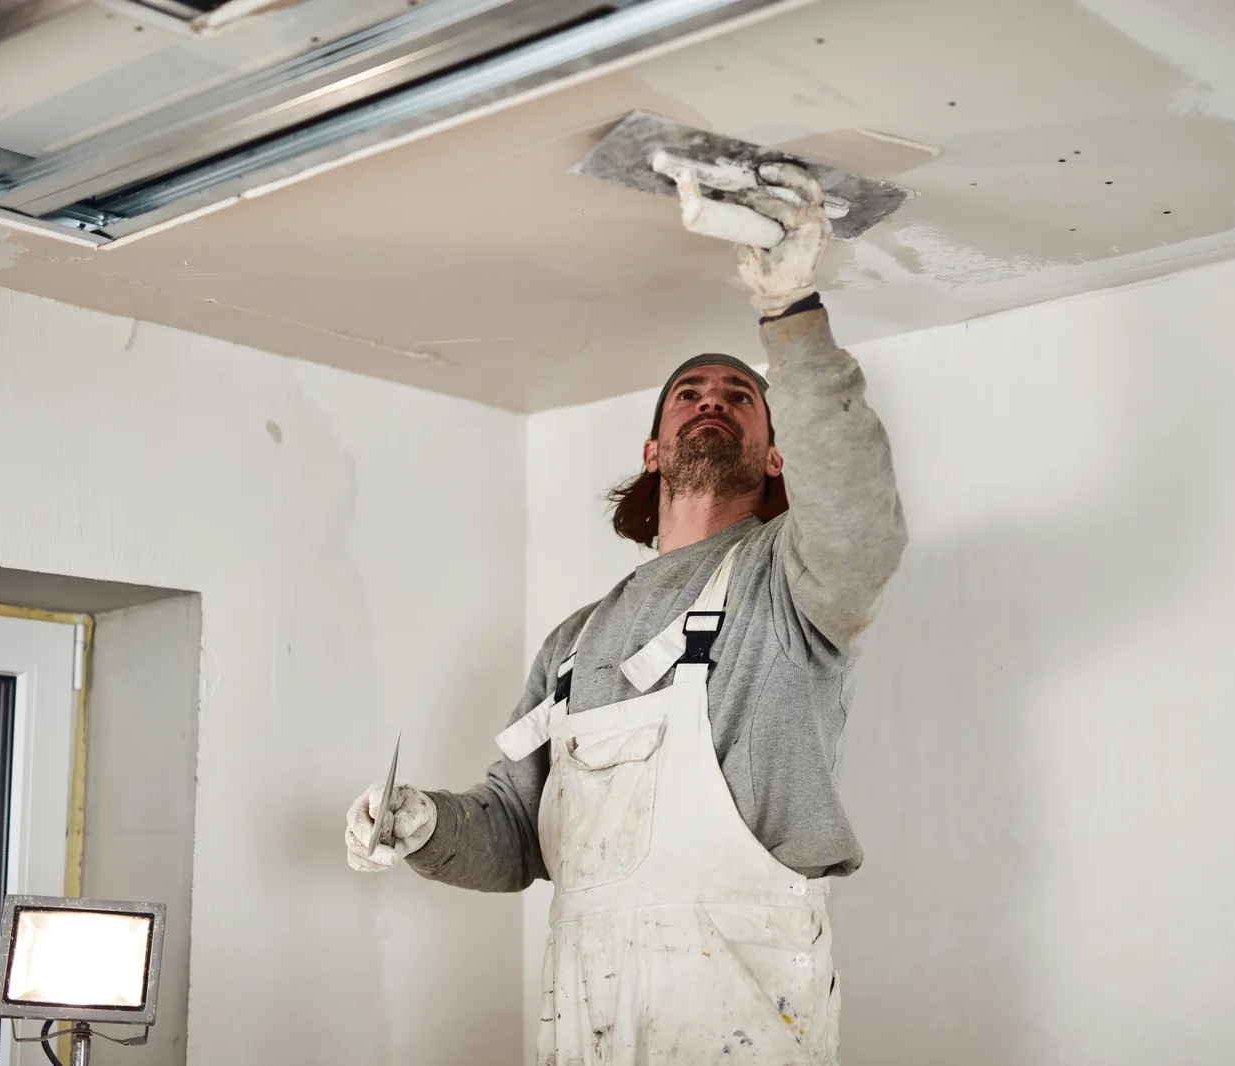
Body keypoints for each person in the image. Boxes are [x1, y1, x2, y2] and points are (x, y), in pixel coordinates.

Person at [344, 163, 906, 1064]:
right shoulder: (574, 642)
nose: (712, 401)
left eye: (738, 397)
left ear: (775, 456)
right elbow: (516, 832)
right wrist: (425, 826)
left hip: (739, 984)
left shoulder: (789, 582)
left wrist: (790, 314)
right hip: (589, 993)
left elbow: (855, 505)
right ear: (654, 448)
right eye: (690, 394)